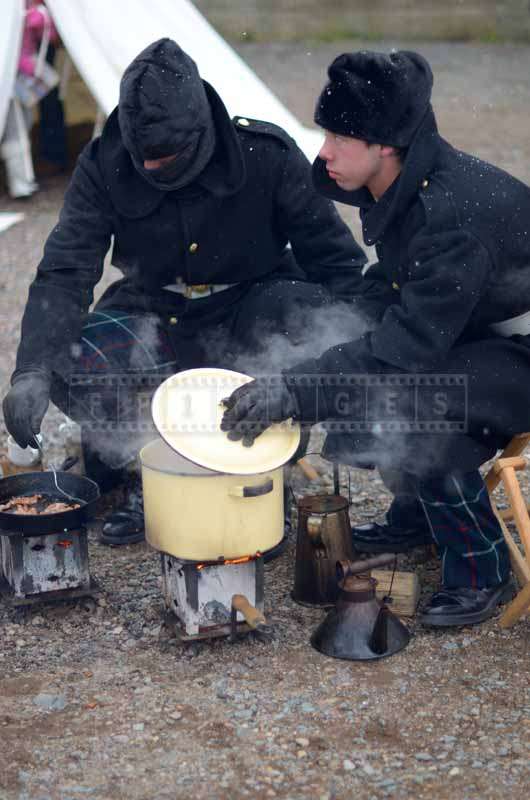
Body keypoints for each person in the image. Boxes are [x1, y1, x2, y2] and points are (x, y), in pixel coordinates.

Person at [3, 38, 370, 546]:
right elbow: (66, 269)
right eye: (145, 159)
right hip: (155, 307)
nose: (153, 170)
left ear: (201, 131)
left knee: (299, 318)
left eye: (168, 156)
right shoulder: (102, 162)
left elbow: (338, 264)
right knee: (76, 357)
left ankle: (260, 476)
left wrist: (347, 368)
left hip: (253, 302)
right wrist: (33, 369)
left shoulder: (265, 154)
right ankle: (143, 471)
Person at [221, 50, 530, 627]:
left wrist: (298, 390)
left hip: (522, 348)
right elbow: (389, 292)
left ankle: (480, 567)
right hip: (471, 328)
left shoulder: (453, 218)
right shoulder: (410, 185)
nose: (324, 153)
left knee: (412, 401)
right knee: (335, 339)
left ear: (385, 143)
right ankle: (420, 514)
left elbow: (405, 348)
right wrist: (310, 352)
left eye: (339, 137)